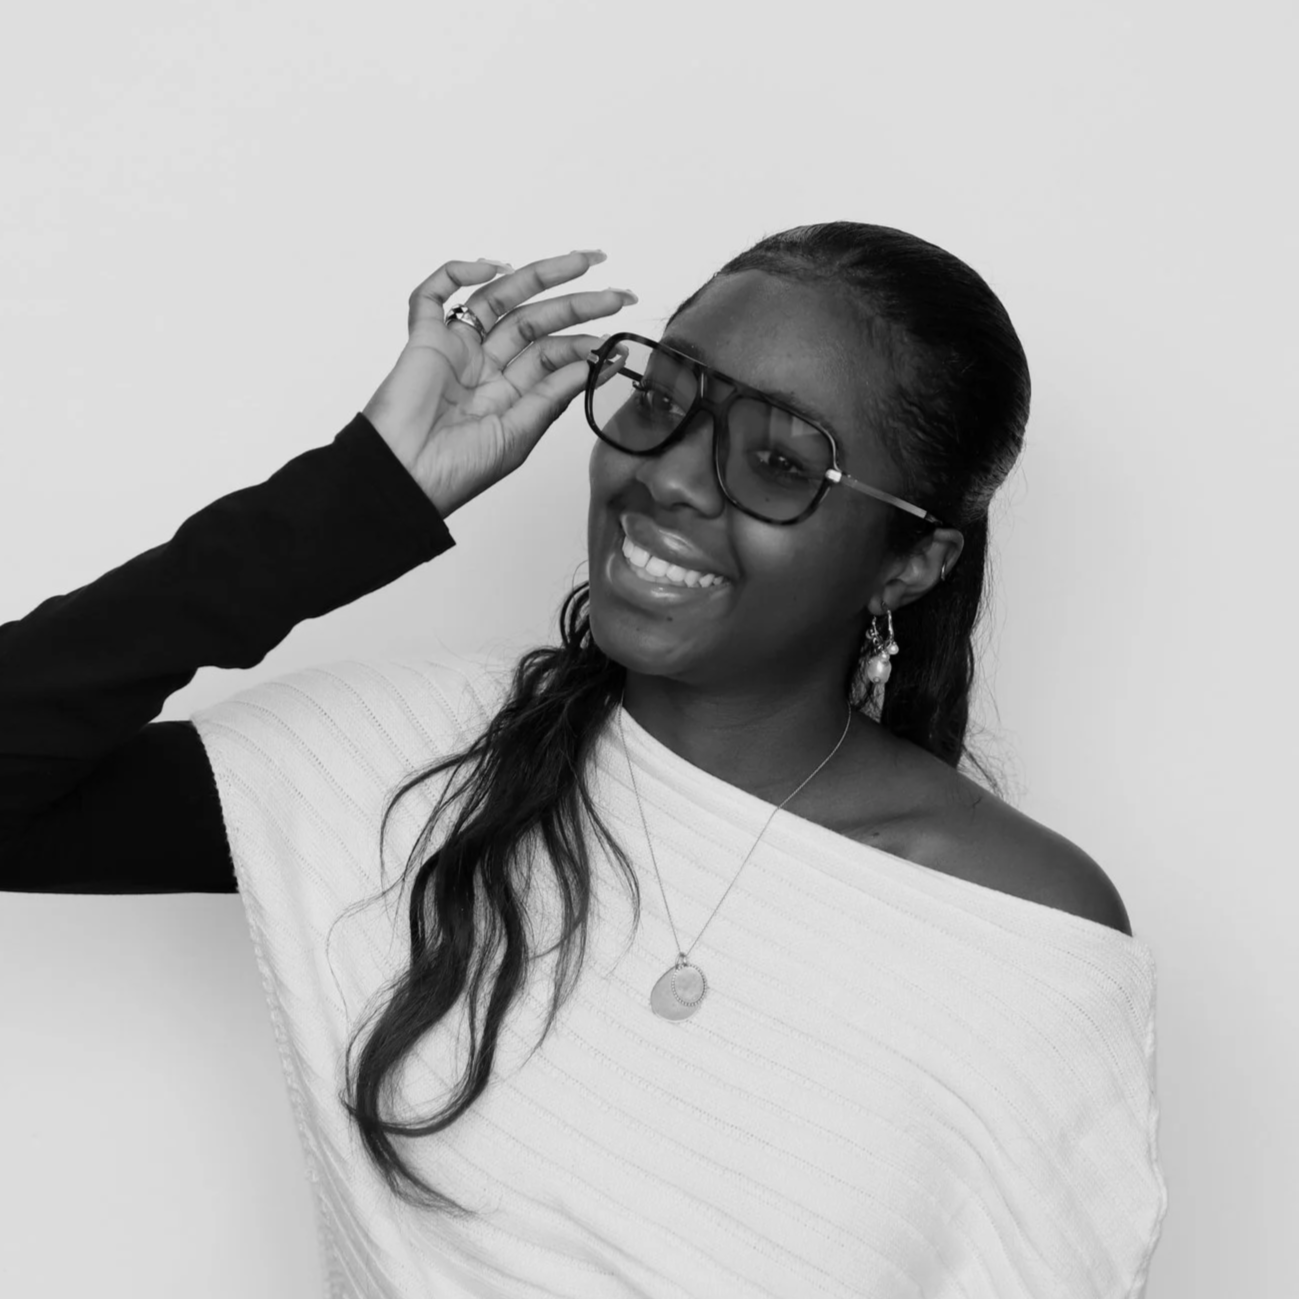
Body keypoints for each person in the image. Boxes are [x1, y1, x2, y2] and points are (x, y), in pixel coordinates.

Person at [0, 225, 1167, 1297]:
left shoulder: (1016, 933)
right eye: (661, 399)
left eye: (777, 462)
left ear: (910, 564)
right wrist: (356, 502)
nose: (670, 475)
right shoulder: (424, 766)